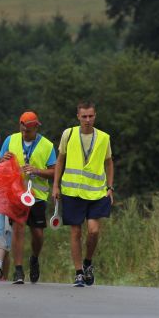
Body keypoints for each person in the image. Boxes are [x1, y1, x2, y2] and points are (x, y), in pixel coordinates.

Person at [52, 101, 114, 287]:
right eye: (84, 116)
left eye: (91, 116)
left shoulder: (103, 137)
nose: (87, 120)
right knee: (76, 232)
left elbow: (109, 162)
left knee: (94, 231)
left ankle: (88, 262)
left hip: (96, 192)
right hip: (72, 190)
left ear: (95, 116)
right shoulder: (68, 134)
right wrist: (55, 185)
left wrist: (110, 187)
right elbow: (60, 160)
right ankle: (79, 272)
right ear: (78, 116)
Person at [0, 111, 56, 284]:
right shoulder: (10, 140)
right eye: (23, 129)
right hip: (16, 194)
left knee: (38, 234)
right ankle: (18, 270)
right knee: (18, 228)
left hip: (37, 196)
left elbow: (54, 171)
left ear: (36, 127)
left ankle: (34, 258)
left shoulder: (47, 145)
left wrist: (37, 170)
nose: (26, 133)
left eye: (29, 130)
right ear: (20, 126)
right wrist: (3, 159)